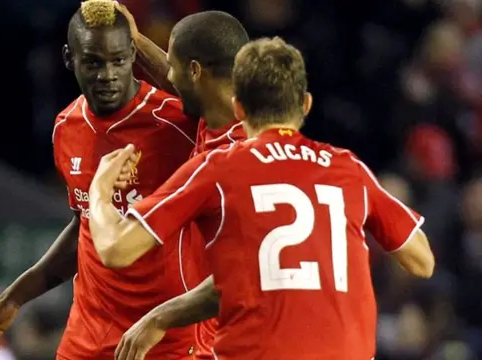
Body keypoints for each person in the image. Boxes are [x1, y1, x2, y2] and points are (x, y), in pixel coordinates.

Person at [87, 37, 435, 360]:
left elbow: (115, 249)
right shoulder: (349, 169)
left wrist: (99, 191)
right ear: (306, 104)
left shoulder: (221, 168)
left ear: (238, 108)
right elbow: (422, 261)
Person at [0, 1, 198, 359]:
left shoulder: (178, 125)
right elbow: (85, 225)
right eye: (93, 62)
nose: (107, 74)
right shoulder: (66, 127)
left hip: (166, 338)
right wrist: (14, 296)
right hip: (89, 337)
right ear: (68, 58)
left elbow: (226, 112)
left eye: (119, 60)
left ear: (133, 55)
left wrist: (138, 36)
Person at [113, 5, 249, 359]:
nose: (167, 77)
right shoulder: (227, 118)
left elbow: (245, 268)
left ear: (195, 71)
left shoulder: (234, 163)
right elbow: (181, 84)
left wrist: (98, 193)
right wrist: (136, 40)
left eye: (174, 66)